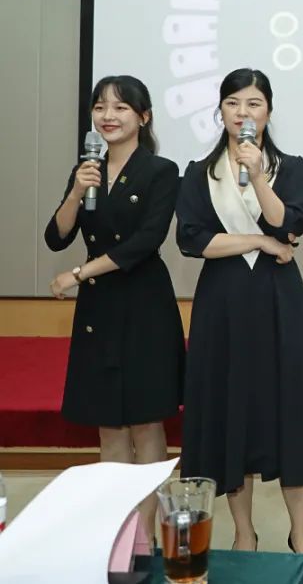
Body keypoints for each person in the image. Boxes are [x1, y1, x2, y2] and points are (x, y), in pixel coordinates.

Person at [175, 68, 303, 580]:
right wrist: (262, 242)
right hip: (222, 304)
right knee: (230, 411)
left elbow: (290, 223)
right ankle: (244, 532)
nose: (243, 113)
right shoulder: (199, 172)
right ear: (220, 111)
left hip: (278, 301)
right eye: (234, 103)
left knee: (288, 408)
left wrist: (258, 175)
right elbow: (193, 240)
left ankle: (301, 532)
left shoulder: (290, 167)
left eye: (254, 104)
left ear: (268, 112)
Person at [44, 75, 185, 539]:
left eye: (121, 108)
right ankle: (119, 534)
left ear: (143, 117)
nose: (108, 116)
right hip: (100, 308)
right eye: (100, 107)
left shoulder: (161, 170)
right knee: (109, 425)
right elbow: (56, 236)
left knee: (146, 423)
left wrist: (79, 273)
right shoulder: (88, 168)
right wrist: (75, 191)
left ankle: (147, 534)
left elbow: (145, 242)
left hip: (143, 303)